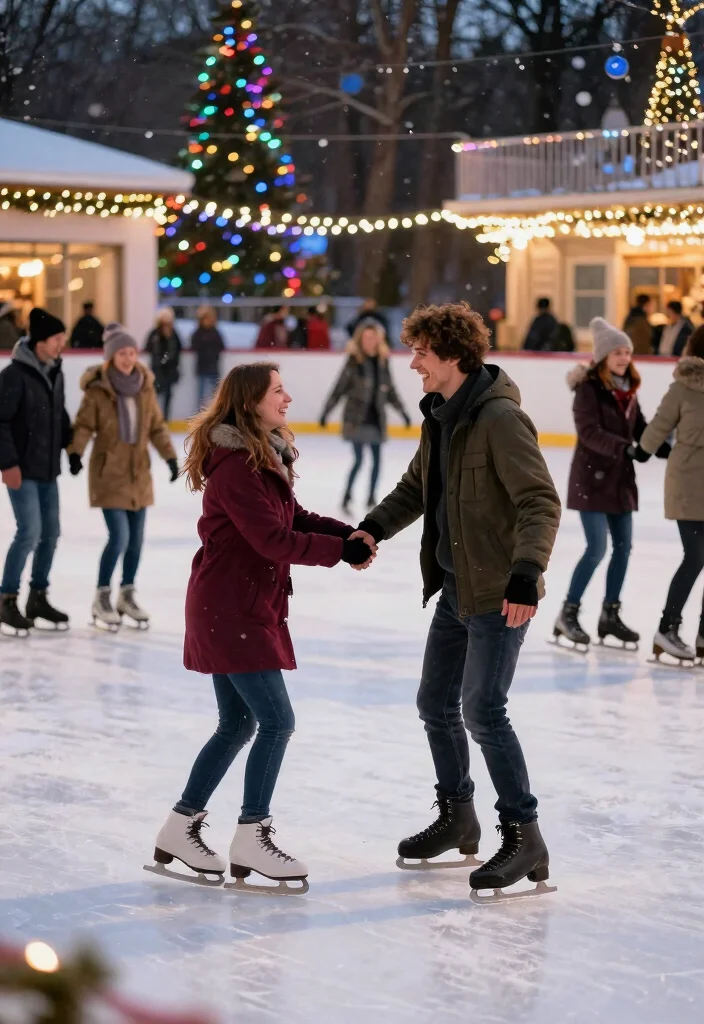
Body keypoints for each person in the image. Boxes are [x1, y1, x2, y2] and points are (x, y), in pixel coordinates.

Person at [353, 302, 561, 895]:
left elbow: (539, 502)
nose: (413, 363)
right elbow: (416, 488)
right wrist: (371, 529)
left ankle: (524, 835)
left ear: (452, 356)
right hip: (455, 589)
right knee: (435, 704)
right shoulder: (441, 416)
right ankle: (458, 817)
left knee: (483, 710)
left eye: (422, 352)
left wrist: (526, 572)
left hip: (499, 593)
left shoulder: (499, 419)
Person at [149, 362, 374, 887]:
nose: (288, 398)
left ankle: (179, 828)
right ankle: (252, 835)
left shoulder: (260, 457)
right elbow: (273, 540)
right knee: (276, 722)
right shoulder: (237, 467)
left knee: (237, 725)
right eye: (278, 390)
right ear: (250, 402)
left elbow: (293, 518)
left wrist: (349, 535)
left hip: (237, 605)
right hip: (232, 610)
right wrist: (340, 553)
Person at [553, 318, 665, 649]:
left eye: (627, 352)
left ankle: (609, 615)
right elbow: (589, 433)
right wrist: (625, 448)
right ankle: (568, 613)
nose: (624, 357)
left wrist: (660, 444)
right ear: (603, 356)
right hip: (592, 479)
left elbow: (640, 427)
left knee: (623, 548)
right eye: (618, 352)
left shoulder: (628, 389)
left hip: (620, 481)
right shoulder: (588, 389)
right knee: (596, 548)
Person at [67, 325, 178, 630]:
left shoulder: (144, 386)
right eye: (122, 353)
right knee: (119, 537)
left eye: (132, 352)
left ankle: (126, 595)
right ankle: (102, 596)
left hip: (138, 473)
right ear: (111, 356)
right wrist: (75, 453)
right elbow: (84, 425)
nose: (128, 358)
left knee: (136, 541)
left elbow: (156, 426)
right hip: (109, 472)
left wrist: (170, 457)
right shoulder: (99, 389)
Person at [630, 326, 704, 662]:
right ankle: (666, 628)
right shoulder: (683, 386)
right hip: (687, 482)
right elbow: (660, 424)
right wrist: (642, 451)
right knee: (695, 556)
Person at [0, 308, 71, 634]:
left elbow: (58, 415)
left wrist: (71, 446)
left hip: (47, 468)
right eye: (57, 339)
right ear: (40, 341)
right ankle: (6, 599)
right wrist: (7, 463)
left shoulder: (55, 371)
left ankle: (37, 597)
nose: (61, 344)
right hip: (21, 468)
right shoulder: (13, 375)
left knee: (50, 534)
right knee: (29, 532)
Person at [320, 319, 411, 513]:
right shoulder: (354, 362)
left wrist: (403, 412)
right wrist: (325, 412)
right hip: (357, 419)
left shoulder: (382, 362)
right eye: (366, 337)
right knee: (359, 460)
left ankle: (371, 498)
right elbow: (339, 389)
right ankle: (347, 497)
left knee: (377, 461)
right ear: (360, 339)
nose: (370, 341)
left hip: (376, 419)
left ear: (379, 339)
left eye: (373, 337)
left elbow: (390, 390)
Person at [145, 308, 182, 422]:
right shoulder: (154, 334)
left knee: (167, 396)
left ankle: (165, 419)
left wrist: (169, 338)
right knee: (154, 396)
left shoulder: (174, 334)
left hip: (169, 370)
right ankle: (154, 419)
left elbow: (176, 350)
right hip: (157, 370)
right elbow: (148, 347)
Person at [191, 306, 225, 410]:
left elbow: (221, 346)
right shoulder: (198, 333)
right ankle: (200, 413)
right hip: (203, 366)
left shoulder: (215, 332)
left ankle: (216, 412)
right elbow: (194, 346)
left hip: (213, 366)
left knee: (215, 394)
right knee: (201, 393)